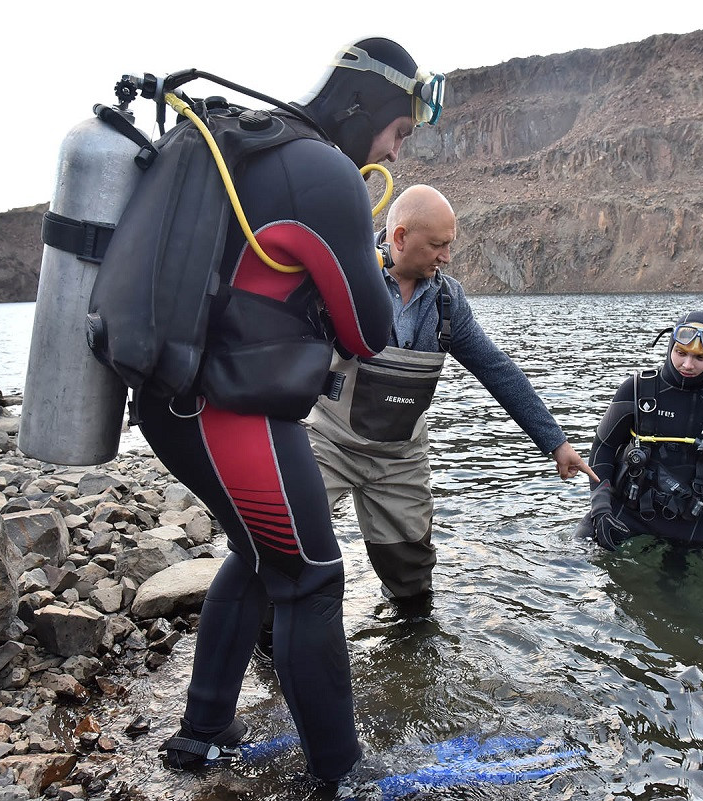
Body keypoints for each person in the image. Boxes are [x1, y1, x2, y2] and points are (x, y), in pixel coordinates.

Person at [138, 38, 444, 783]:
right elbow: (369, 332)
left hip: (170, 400)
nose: (394, 154)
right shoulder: (325, 174)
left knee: (258, 551)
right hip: (229, 416)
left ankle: (202, 730)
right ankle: (342, 774)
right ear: (362, 105)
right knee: (311, 578)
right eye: (398, 134)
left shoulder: (259, 149)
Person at [303, 184, 597, 611]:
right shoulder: (344, 275)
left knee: (412, 582)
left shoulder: (447, 301)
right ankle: (272, 642)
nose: (446, 257)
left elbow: (496, 369)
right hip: (327, 444)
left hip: (400, 458)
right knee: (289, 546)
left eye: (449, 245)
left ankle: (411, 650)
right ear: (399, 238)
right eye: (437, 245)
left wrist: (556, 442)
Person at [576, 310, 703, 565]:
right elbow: (602, 450)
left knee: (673, 603)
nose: (688, 365)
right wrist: (601, 511)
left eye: (700, 357)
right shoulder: (637, 389)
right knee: (567, 569)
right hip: (622, 515)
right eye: (681, 353)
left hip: (689, 532)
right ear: (670, 347)